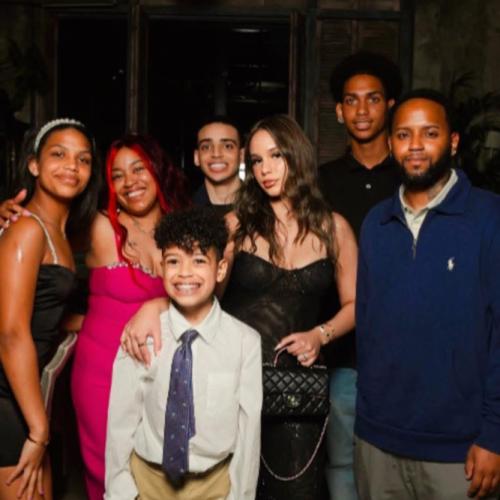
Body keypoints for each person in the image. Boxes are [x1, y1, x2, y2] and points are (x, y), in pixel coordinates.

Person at [121, 114, 358, 500]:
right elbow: (195, 283)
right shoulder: (237, 224)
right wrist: (155, 305)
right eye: (257, 160)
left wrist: (321, 334)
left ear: (297, 156)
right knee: (231, 486)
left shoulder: (335, 229)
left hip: (294, 389)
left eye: (276, 156)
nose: (265, 170)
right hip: (231, 378)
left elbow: (355, 305)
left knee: (296, 491)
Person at [354, 89, 500, 500]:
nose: (415, 145)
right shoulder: (376, 223)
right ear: (390, 144)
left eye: (429, 133)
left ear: (452, 142)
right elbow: (368, 328)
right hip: (377, 442)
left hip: (462, 449)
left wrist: (494, 435)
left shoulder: (490, 218)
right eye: (403, 135)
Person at [105, 207, 262, 500]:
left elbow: (248, 433)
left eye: (199, 260)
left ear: (220, 269)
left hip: (213, 485)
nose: (185, 272)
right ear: (162, 267)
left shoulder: (245, 343)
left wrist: (240, 495)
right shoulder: (142, 334)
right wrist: (120, 491)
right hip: (147, 482)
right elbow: (120, 421)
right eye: (174, 261)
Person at [70, 134, 189, 500]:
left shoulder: (182, 229)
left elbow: (205, 301)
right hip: (102, 373)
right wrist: (10, 215)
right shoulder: (100, 226)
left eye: (139, 169)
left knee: (160, 480)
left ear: (158, 171)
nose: (129, 182)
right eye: (117, 175)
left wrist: (158, 304)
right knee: (110, 476)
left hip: (164, 375)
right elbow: (41, 242)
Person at [0, 118, 100, 500]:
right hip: (8, 400)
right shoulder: (27, 229)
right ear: (33, 164)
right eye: (58, 154)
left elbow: (44, 313)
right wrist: (38, 429)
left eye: (83, 159)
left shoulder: (58, 232)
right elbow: (11, 333)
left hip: (25, 398)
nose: (72, 166)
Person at [318, 51, 402, 500]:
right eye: (351, 100)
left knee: (402, 471)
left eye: (373, 98)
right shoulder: (320, 182)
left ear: (390, 106)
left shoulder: (414, 176)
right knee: (343, 468)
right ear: (339, 111)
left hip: (407, 354)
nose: (362, 109)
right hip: (342, 358)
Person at [191, 115, 243, 215]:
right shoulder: (183, 209)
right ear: (197, 157)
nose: (216, 154)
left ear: (241, 155)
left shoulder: (263, 207)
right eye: (206, 147)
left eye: (227, 146)